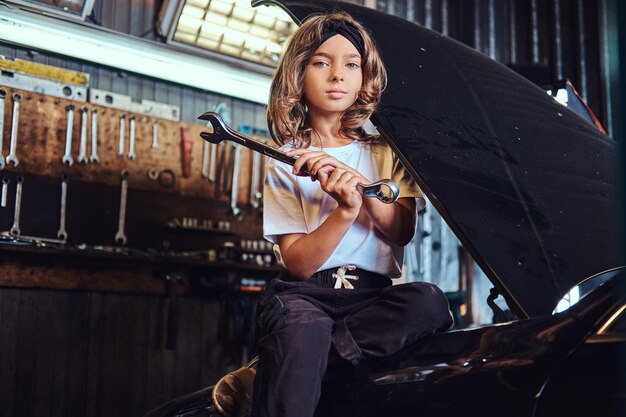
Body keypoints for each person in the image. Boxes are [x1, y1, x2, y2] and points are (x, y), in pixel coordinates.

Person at [214, 10, 453, 417]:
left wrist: (359, 185)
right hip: (306, 297)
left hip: (372, 298)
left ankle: (277, 372)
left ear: (365, 78)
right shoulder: (285, 161)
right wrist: (345, 210)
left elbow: (403, 232)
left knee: (430, 303)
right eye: (322, 62)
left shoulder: (387, 153)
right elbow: (301, 266)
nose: (337, 75)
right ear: (298, 75)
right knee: (300, 329)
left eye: (351, 64)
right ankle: (294, 364)